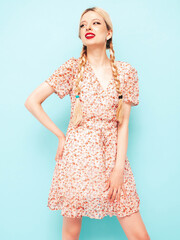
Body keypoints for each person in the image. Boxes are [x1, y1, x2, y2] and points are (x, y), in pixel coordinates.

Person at [25, 6, 150, 240]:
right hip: (77, 159)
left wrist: (118, 168)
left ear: (109, 32)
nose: (88, 28)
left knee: (139, 236)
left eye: (95, 23)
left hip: (112, 156)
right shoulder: (72, 68)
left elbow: (123, 125)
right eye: (83, 25)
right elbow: (32, 101)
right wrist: (61, 136)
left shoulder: (126, 72)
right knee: (71, 235)